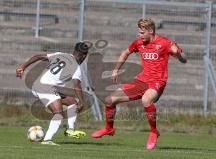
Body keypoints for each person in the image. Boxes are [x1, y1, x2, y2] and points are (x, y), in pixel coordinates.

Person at [91, 18, 187, 150]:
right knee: (109, 100)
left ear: (151, 31)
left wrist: (179, 53)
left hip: (158, 82)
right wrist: (115, 70)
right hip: (141, 81)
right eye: (139, 32)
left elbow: (184, 60)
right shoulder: (139, 43)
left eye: (142, 33)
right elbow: (125, 53)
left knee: (146, 99)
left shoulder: (165, 43)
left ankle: (153, 131)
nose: (139, 35)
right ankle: (109, 129)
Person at [16, 42, 89, 146]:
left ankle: (70, 129)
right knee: (58, 112)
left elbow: (37, 57)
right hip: (46, 87)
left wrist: (22, 67)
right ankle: (47, 140)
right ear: (84, 56)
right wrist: (82, 102)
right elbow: (77, 85)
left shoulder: (61, 54)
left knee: (72, 102)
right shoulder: (76, 68)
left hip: (40, 85)